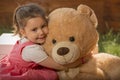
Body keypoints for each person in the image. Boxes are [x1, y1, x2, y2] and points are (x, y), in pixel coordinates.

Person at [0, 3, 65, 80]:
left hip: (15, 63)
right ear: (23, 32)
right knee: (51, 75)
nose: (41, 32)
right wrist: (79, 62)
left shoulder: (28, 38)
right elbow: (59, 66)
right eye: (34, 30)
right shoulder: (32, 50)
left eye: (43, 26)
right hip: (21, 72)